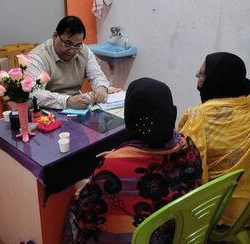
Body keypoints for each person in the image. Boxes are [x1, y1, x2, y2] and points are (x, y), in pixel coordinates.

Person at [62, 77, 203, 244]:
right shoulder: (187, 146)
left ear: (129, 115)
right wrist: (121, 154)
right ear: (171, 112)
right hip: (175, 235)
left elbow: (85, 215)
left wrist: (84, 187)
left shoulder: (112, 168)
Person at [178, 52, 250, 226]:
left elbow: (182, 161)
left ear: (216, 79)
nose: (198, 80)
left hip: (221, 206)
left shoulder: (199, 117)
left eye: (201, 75)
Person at [26, 16, 109, 109]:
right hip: (47, 112)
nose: (71, 51)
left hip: (76, 108)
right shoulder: (38, 57)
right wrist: (67, 101)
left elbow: (97, 75)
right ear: (55, 36)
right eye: (67, 44)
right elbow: (34, 93)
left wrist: (101, 87)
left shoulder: (83, 50)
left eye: (77, 46)